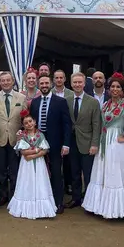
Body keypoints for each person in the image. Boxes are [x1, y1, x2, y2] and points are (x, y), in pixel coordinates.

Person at [82, 72, 124, 219]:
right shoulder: (105, 105)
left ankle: (115, 209)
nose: (115, 89)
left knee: (114, 172)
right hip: (104, 141)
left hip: (116, 144)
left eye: (118, 87)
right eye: (112, 87)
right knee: (102, 171)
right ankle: (99, 205)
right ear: (109, 89)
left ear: (122, 90)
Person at [30, 74, 72, 214]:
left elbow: (67, 125)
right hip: (38, 142)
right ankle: (41, 199)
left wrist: (66, 144)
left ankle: (58, 201)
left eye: (46, 83)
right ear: (38, 85)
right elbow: (31, 124)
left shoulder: (60, 101)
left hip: (55, 142)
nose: (44, 86)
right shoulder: (34, 102)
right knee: (39, 171)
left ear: (51, 83)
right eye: (41, 83)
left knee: (55, 172)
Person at [8, 110, 56, 219]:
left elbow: (45, 150)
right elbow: (23, 152)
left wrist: (33, 155)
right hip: (26, 165)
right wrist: (36, 150)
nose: (29, 124)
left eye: (30, 121)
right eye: (26, 123)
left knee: (39, 181)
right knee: (27, 181)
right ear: (23, 125)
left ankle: (41, 208)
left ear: (34, 121)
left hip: (39, 163)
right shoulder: (23, 136)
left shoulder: (40, 135)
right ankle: (27, 205)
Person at [65, 72, 102, 209]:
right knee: (74, 173)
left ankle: (89, 199)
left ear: (84, 83)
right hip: (72, 142)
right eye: (75, 82)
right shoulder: (67, 100)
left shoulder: (93, 102)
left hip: (87, 143)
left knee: (88, 173)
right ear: (71, 83)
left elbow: (97, 125)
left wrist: (94, 144)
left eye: (80, 82)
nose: (77, 85)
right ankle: (76, 199)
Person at [0, 71, 26, 204]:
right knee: (0, 170)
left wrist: (23, 136)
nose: (5, 83)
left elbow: (26, 119)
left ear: (13, 82)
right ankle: (2, 195)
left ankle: (15, 196)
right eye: (3, 80)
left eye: (8, 80)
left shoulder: (21, 98)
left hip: (16, 140)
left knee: (15, 170)